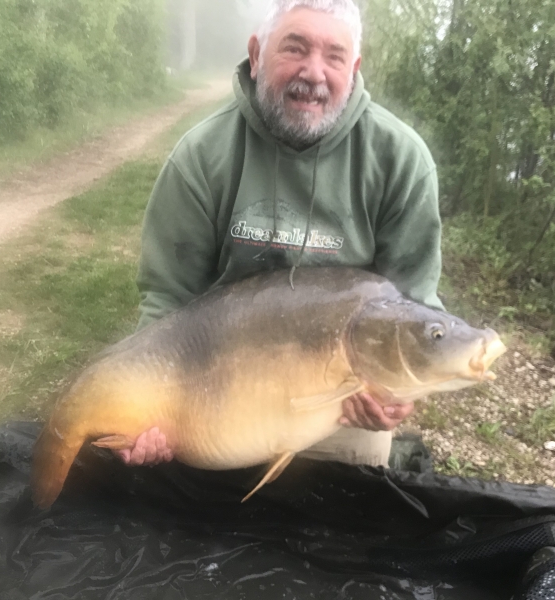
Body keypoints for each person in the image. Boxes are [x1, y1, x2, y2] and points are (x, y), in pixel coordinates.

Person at [116, 0, 444, 467]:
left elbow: (416, 309)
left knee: (358, 489)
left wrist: (400, 393)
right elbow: (167, 298)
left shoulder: (401, 162)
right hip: (215, 390)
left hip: (338, 407)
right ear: (256, 54)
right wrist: (149, 407)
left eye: (334, 56)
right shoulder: (200, 156)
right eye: (295, 48)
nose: (313, 73)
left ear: (354, 68)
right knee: (164, 477)